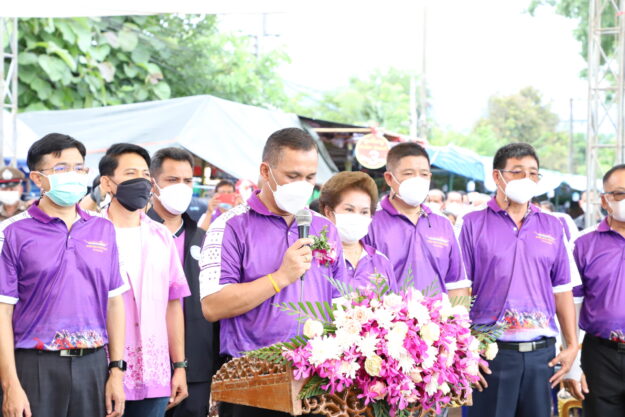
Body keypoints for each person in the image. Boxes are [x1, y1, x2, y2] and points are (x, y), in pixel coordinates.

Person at [199, 127, 346, 417]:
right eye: (293, 176)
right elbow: (213, 306)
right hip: (252, 377)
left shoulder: (325, 228)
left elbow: (340, 303)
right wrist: (280, 278)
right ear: (266, 171)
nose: (303, 185)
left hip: (317, 379)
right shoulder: (230, 226)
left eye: (309, 177)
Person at [0, 133, 127, 417]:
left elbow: (115, 303)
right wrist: (10, 385)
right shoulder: (11, 233)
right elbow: (2, 312)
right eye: (61, 168)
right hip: (35, 367)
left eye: (79, 167)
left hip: (93, 365)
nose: (73, 174)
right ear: (38, 178)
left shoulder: (104, 229)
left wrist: (116, 370)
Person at [457, 143, 580, 417]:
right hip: (490, 355)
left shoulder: (553, 225)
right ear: (497, 176)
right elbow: (460, 292)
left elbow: (562, 289)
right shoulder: (471, 224)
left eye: (533, 173)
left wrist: (572, 346)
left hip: (542, 357)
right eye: (517, 171)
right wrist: (464, 349)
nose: (526, 179)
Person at [98, 143, 191, 417]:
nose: (140, 181)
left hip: (155, 374)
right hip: (102, 372)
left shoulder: (161, 236)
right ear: (107, 183)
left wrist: (179, 366)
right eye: (130, 173)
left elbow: (173, 305)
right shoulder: (90, 234)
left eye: (145, 174)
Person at [147, 148, 219, 417]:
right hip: (146, 362)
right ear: (153, 184)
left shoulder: (204, 239)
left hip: (197, 365)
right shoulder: (137, 234)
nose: (181, 187)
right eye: (172, 180)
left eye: (187, 181)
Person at [364, 142, 470, 297]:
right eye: (409, 173)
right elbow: (360, 286)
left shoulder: (443, 223)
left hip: (438, 312)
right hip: (387, 312)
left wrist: (458, 312)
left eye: (424, 174)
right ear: (389, 178)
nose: (418, 180)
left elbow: (457, 285)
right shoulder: (370, 222)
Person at [563, 164, 625, 416]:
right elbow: (570, 305)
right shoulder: (582, 244)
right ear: (604, 200)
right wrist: (572, 363)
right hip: (601, 356)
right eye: (620, 193)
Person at [318, 171, 396, 291]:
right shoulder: (314, 258)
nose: (357, 217)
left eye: (364, 212)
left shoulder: (381, 262)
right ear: (328, 212)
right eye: (349, 209)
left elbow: (393, 301)